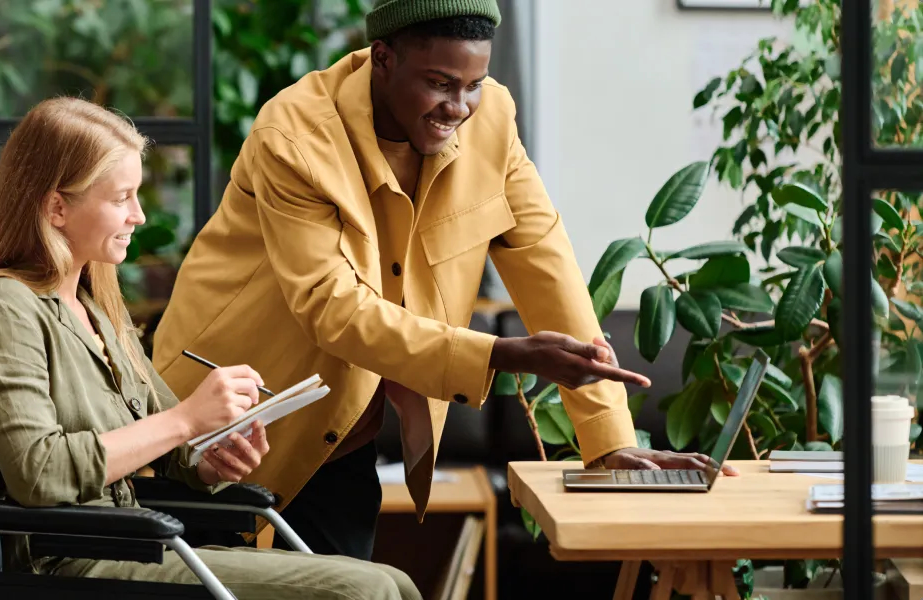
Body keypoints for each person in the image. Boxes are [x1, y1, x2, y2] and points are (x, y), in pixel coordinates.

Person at [153, 0, 736, 562]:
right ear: (382, 57)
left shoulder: (494, 122)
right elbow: (332, 307)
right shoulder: (296, 134)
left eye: (473, 85)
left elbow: (543, 261)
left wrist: (609, 438)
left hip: (338, 440)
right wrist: (502, 354)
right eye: (439, 83)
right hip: (218, 424)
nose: (458, 106)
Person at [0, 97, 421, 600]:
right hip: (72, 562)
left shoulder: (96, 310)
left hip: (134, 545)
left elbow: (175, 446)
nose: (138, 215)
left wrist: (210, 457)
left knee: (397, 583)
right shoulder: (2, 306)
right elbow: (39, 472)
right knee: (365, 591)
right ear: (57, 207)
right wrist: (187, 419)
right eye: (121, 198)